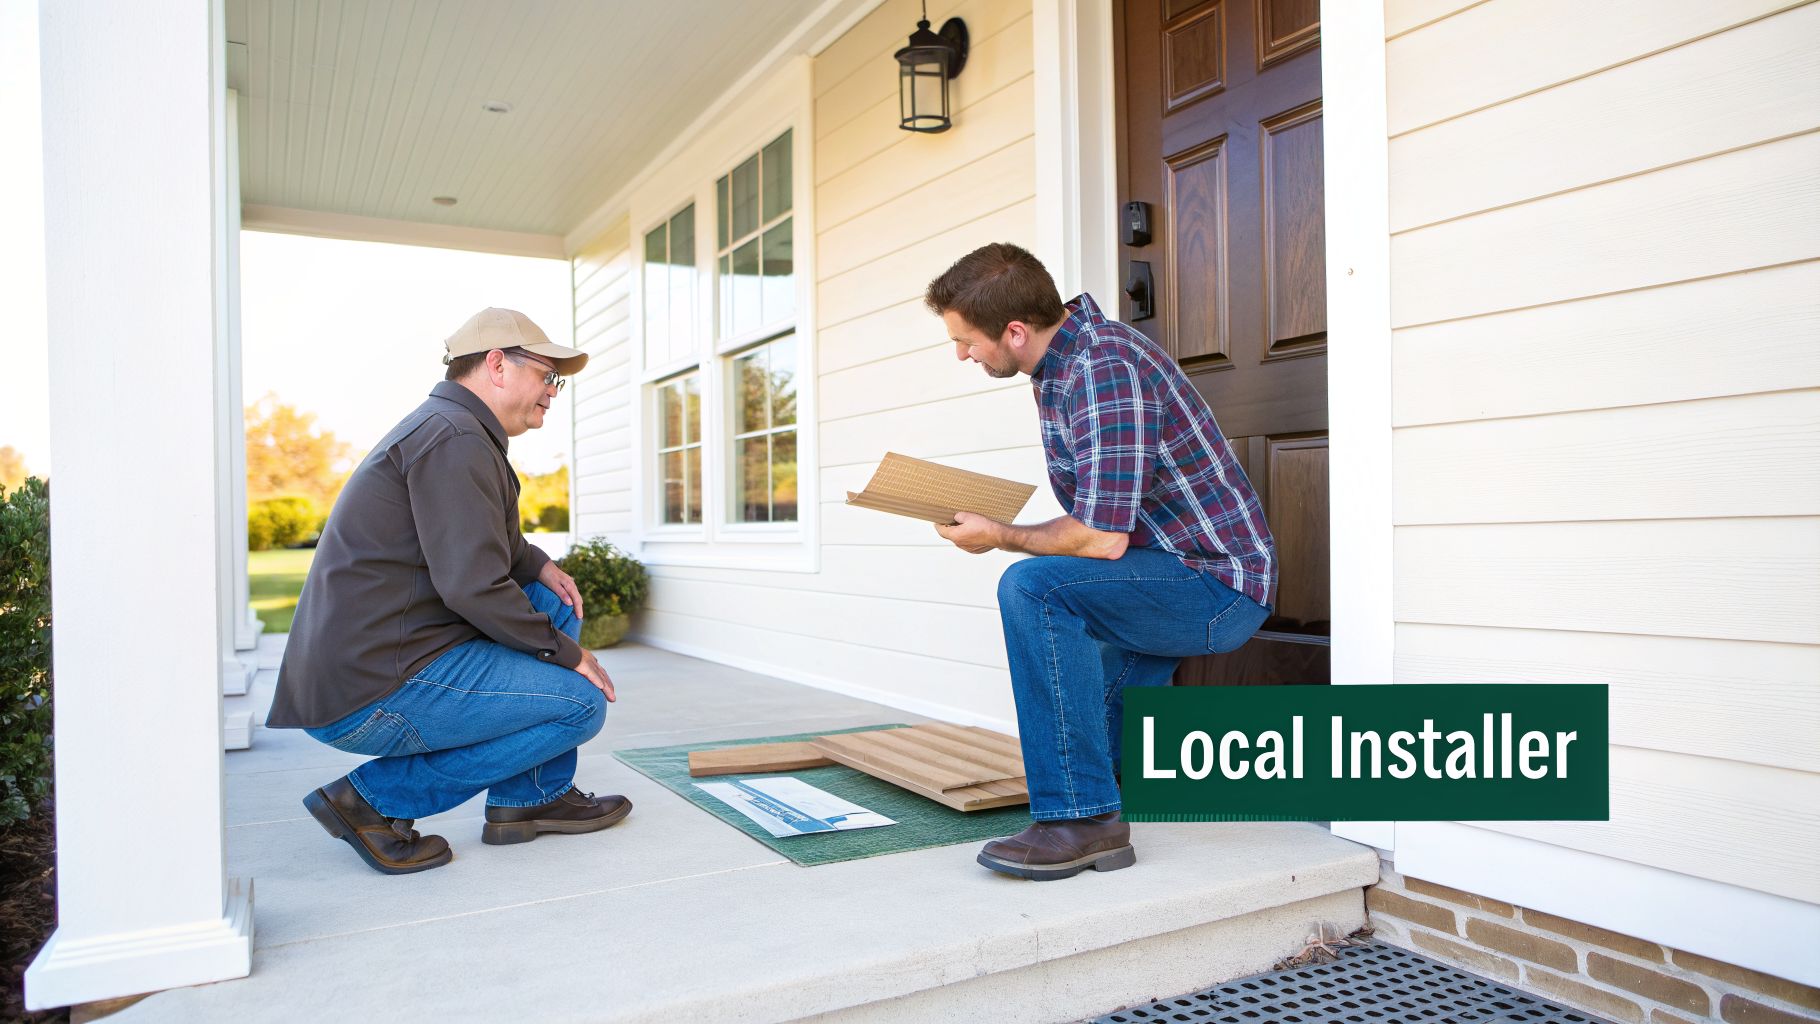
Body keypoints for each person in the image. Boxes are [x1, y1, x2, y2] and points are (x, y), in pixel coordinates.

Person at [924, 244, 1277, 881]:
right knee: (1102, 696)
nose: (961, 355)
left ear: (1014, 331)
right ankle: (1103, 802)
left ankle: (1080, 819)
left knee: (1033, 588)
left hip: (1212, 586)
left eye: (966, 341)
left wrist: (1001, 534)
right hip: (1164, 567)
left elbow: (1101, 537)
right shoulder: (1063, 368)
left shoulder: (1103, 367)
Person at [266, 307, 630, 875]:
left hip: (396, 652)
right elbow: (473, 586)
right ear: (496, 365)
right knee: (576, 705)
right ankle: (372, 802)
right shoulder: (454, 439)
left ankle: (529, 799)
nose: (553, 392)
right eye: (547, 375)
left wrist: (537, 563)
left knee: (550, 599)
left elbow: (483, 545)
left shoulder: (457, 431)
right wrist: (569, 655)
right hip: (375, 687)